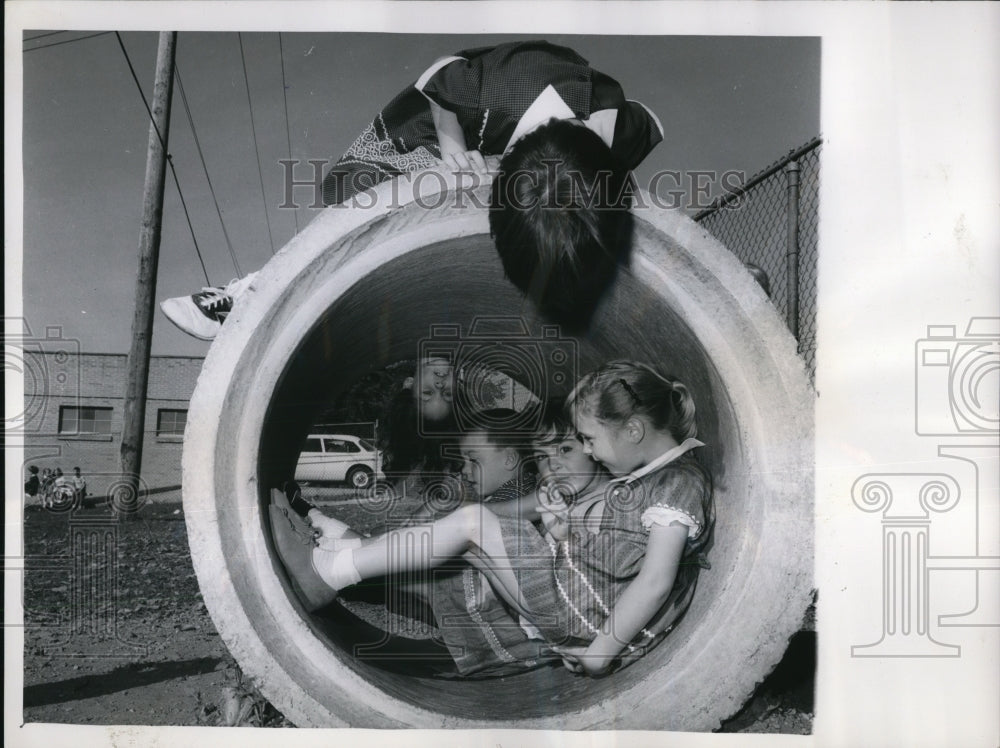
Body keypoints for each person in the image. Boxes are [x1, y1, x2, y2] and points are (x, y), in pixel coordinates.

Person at [160, 40, 663, 340]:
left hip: (539, 141)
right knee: (363, 214)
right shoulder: (497, 91)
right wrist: (453, 148)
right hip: (438, 128)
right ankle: (246, 293)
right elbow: (439, 75)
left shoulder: (621, 135)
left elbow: (653, 121)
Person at [270, 360, 713, 676]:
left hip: (584, 614)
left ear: (633, 430)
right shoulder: (652, 479)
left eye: (588, 440)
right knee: (464, 542)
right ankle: (339, 548)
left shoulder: (677, 484)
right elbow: (612, 557)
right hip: (574, 604)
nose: (590, 451)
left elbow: (654, 581)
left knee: (473, 524)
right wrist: (560, 528)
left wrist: (601, 653)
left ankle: (330, 569)